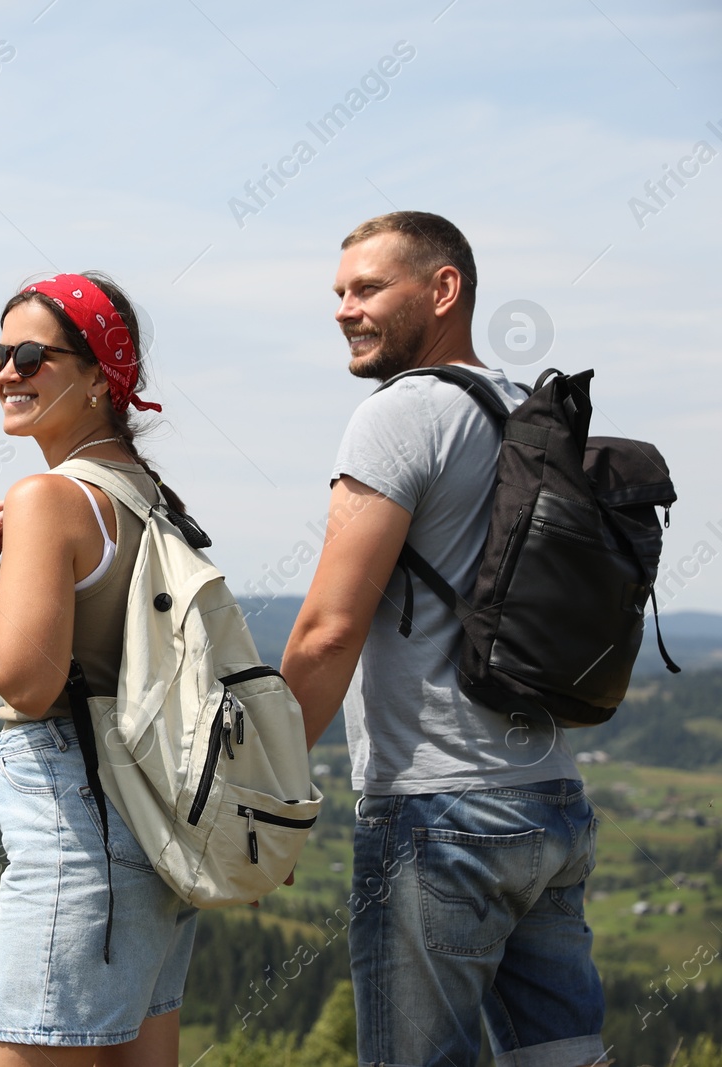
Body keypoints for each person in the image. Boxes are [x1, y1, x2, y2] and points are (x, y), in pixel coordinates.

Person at [281, 212, 605, 1067]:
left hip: (438, 812)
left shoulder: (399, 414)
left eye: (368, 288)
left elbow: (327, 627)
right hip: (552, 802)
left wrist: (264, 790)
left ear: (443, 289)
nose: (346, 309)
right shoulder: (521, 410)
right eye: (340, 292)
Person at [0, 272, 197, 1065]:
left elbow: (27, 680)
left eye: (30, 354)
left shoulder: (48, 498)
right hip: (157, 834)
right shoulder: (150, 495)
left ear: (99, 375)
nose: (5, 372)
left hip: (78, 836)